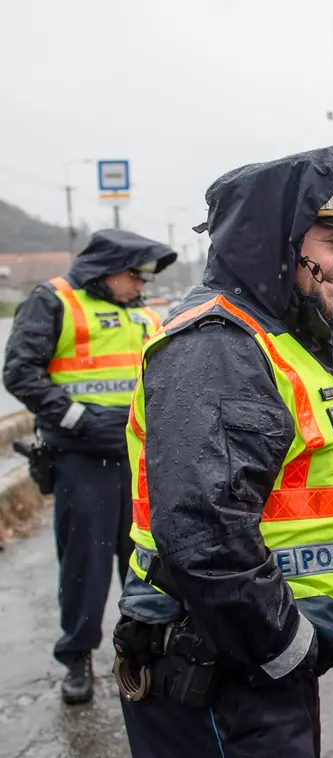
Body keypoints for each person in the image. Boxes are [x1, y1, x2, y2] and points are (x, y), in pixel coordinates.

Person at [114, 144, 333, 757]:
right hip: (222, 673)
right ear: (279, 242)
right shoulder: (217, 346)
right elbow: (202, 531)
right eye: (332, 242)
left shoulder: (275, 335)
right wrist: (286, 645)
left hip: (244, 664)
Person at [2, 230, 176, 704]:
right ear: (106, 271)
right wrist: (78, 418)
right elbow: (19, 370)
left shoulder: (142, 313)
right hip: (83, 461)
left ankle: (144, 651)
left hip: (140, 461)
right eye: (136, 275)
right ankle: (77, 659)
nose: (142, 285)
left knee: (146, 562)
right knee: (86, 567)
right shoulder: (54, 301)